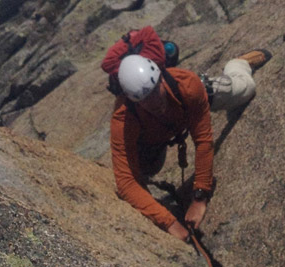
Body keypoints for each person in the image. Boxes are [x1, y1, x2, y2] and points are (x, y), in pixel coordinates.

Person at [108, 49, 271, 240]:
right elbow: (127, 182)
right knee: (142, 173)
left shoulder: (187, 85)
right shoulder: (124, 120)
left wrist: (200, 196)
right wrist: (168, 222)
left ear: (161, 77)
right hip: (152, 138)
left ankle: (238, 63)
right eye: (146, 100)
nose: (155, 101)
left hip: (190, 101)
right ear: (132, 100)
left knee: (245, 88)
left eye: (155, 91)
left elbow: (202, 141)